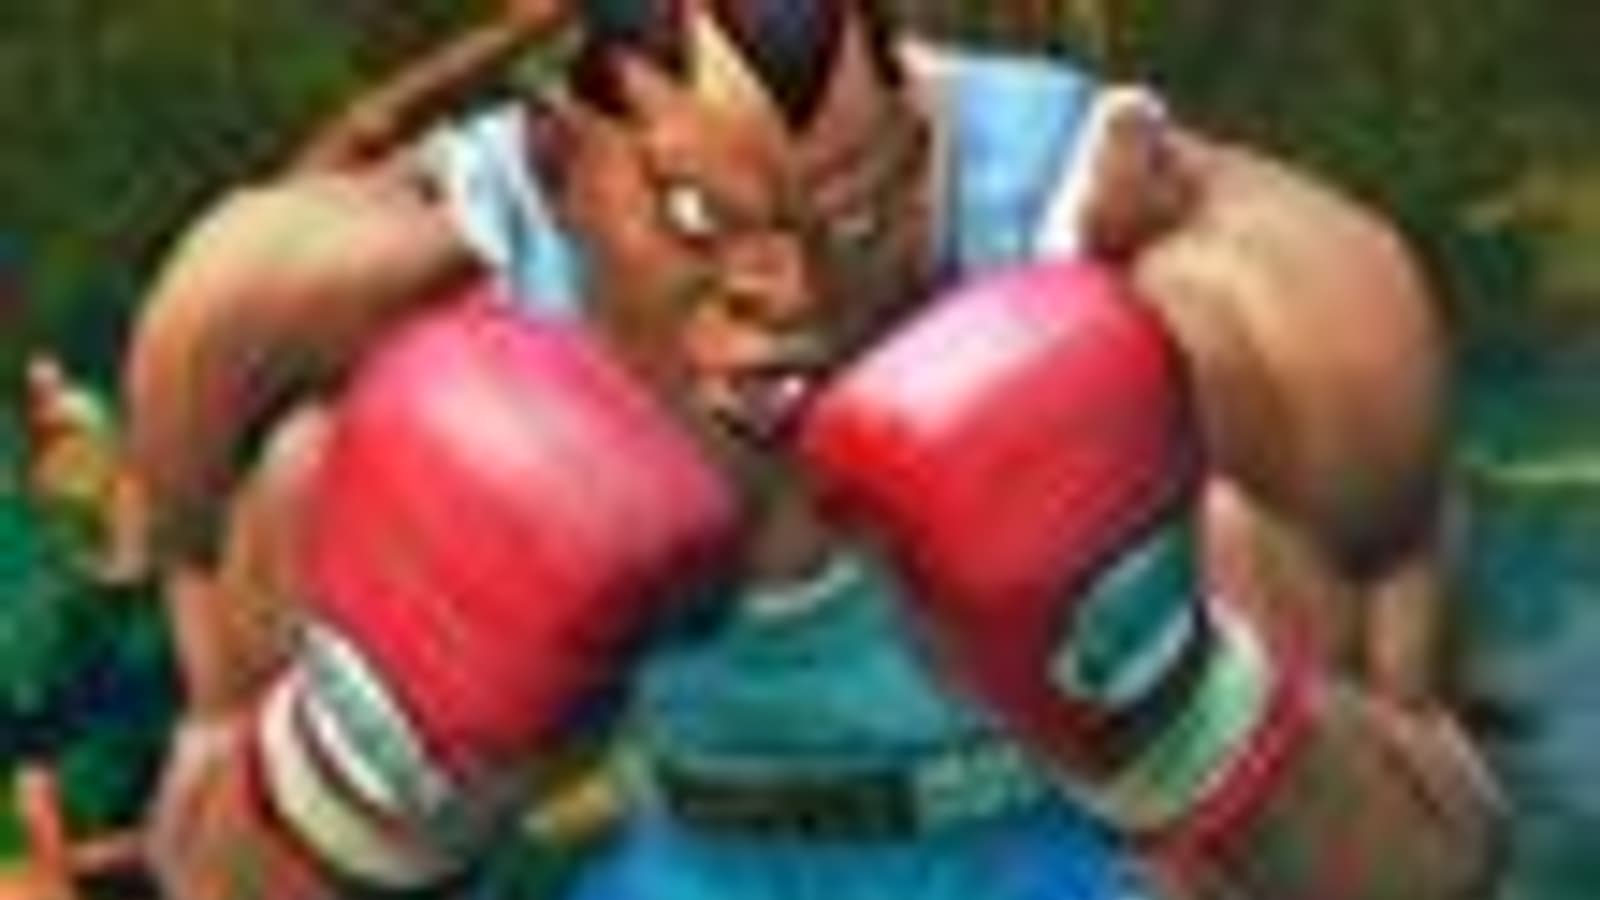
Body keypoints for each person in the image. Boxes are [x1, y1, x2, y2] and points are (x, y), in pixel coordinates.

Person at [124, 1, 1504, 898]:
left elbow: (1429, 854)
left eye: (853, 216)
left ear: (921, 147)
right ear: (557, 163)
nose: (786, 296)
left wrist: (1166, 700)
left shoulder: (1196, 271)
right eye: (697, 222)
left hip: (1089, 869)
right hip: (688, 863)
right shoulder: (335, 301)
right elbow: (212, 859)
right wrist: (368, 767)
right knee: (316, 475)